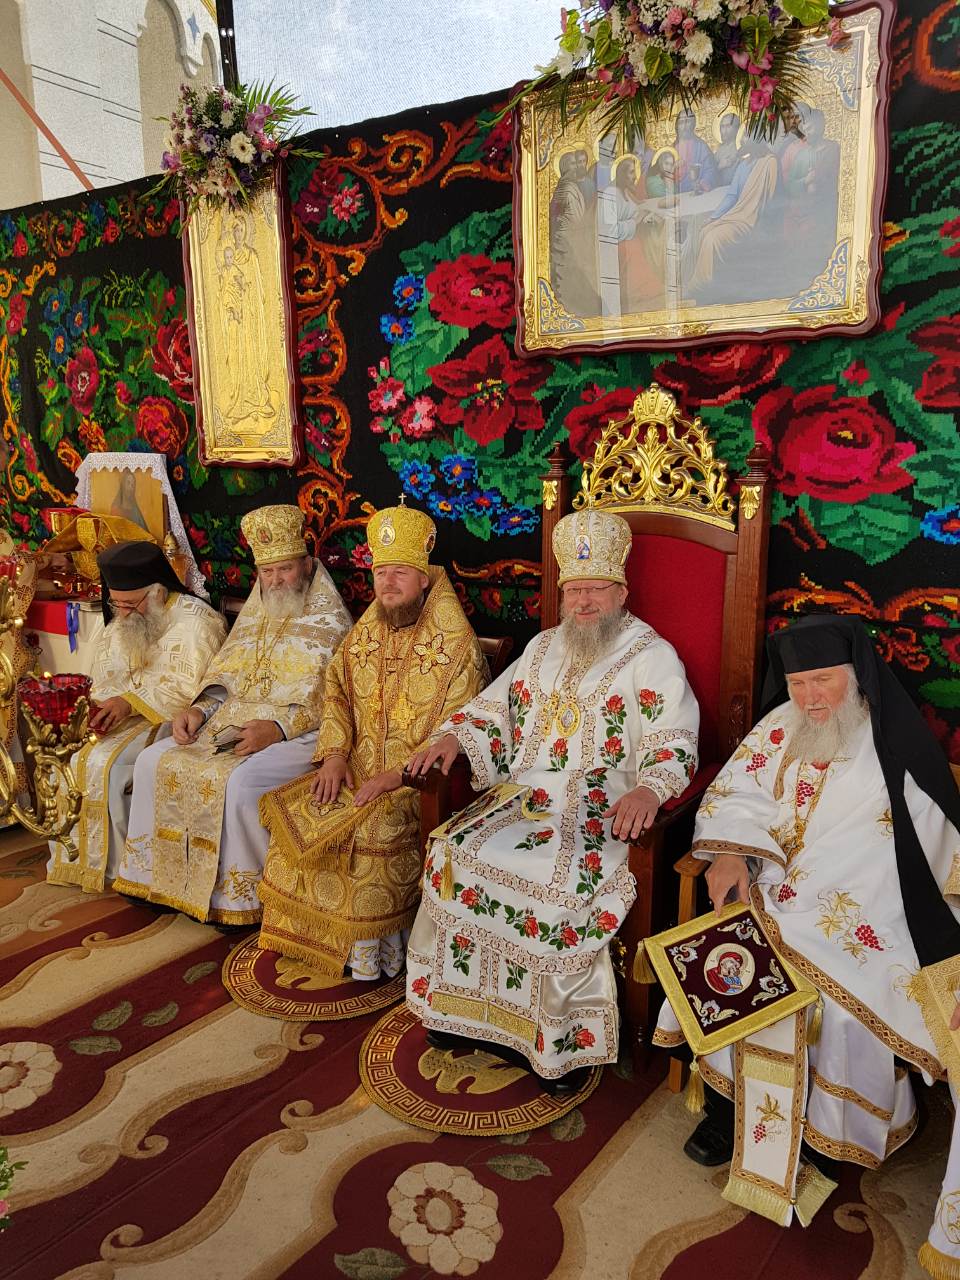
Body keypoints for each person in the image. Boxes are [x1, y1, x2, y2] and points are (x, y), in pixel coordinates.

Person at [656, 614, 960, 1256]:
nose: (810, 697)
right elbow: (735, 792)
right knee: (730, 960)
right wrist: (731, 852)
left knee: (830, 1000)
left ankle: (822, 1136)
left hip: (862, 913)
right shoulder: (778, 727)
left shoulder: (894, 744)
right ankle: (726, 1110)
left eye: (823, 680)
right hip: (770, 888)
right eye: (797, 683)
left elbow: (931, 845)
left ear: (856, 676)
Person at [405, 508, 700, 1094]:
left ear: (621, 592)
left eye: (596, 589)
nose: (584, 602)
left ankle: (557, 1039)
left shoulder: (652, 656)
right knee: (453, 851)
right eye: (574, 590)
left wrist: (651, 787)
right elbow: (494, 711)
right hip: (525, 796)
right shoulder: (542, 648)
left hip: (603, 807)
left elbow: (675, 739)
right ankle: (459, 1010)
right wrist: (455, 737)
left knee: (554, 880)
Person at [256, 501, 487, 980]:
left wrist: (396, 777)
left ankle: (370, 957)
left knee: (373, 829)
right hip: (355, 769)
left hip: (414, 783)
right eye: (381, 573)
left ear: (423, 578)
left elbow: (457, 731)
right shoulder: (365, 633)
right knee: (301, 812)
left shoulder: (456, 647)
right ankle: (324, 944)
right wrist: (334, 756)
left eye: (399, 572)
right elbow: (336, 693)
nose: (388, 583)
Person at [115, 504, 352, 924]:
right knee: (153, 760)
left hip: (301, 734)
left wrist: (276, 729)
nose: (275, 581)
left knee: (240, 783)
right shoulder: (257, 610)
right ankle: (155, 878)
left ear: (306, 565)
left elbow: (334, 700)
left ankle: (241, 899)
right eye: (267, 572)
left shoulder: (333, 622)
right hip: (232, 722)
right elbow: (227, 675)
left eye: (285, 569)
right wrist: (199, 710)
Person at [46, 541, 226, 893]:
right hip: (122, 713)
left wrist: (129, 703)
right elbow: (106, 671)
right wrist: (96, 706)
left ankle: (119, 867)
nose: (122, 614)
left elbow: (190, 688)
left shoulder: (198, 623)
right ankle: (75, 860)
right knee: (67, 751)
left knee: (105, 763)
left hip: (168, 719)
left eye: (130, 604)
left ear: (157, 592)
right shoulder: (124, 618)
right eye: (116, 603)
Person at [673, 110, 718, 193]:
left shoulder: (701, 146)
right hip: (677, 195)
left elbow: (710, 169)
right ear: (677, 125)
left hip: (697, 192)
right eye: (681, 122)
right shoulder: (671, 149)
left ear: (693, 124)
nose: (684, 126)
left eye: (688, 121)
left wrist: (703, 183)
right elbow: (663, 174)